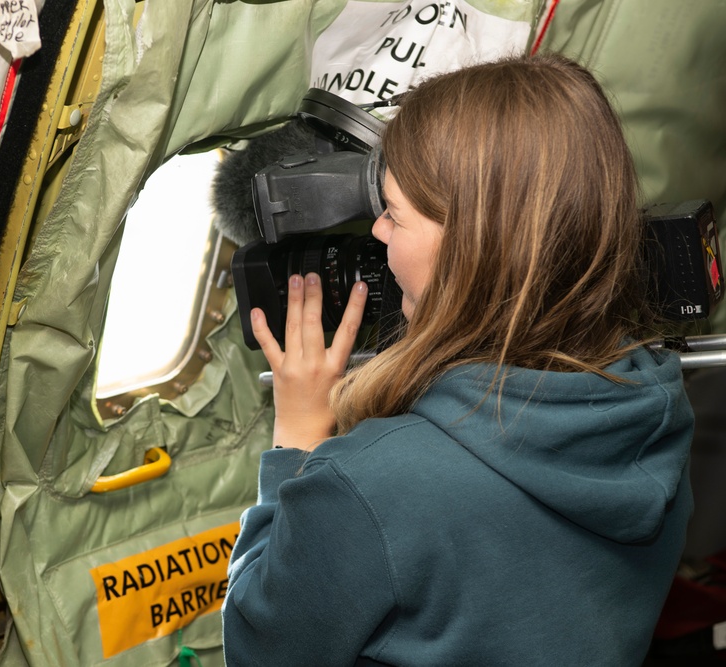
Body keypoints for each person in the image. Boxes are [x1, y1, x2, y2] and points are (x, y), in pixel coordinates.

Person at [221, 53, 694, 666]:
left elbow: (259, 651)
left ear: (471, 247)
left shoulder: (366, 483)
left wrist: (297, 446)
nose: (378, 234)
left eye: (392, 213)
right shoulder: (657, 411)